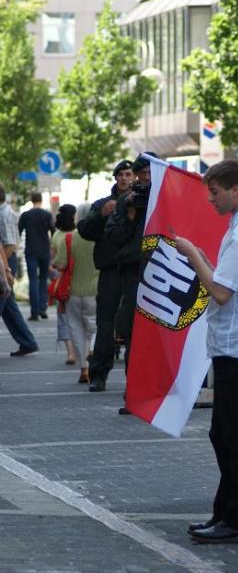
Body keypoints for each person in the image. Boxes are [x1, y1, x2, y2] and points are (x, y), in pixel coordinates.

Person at [175, 160, 238, 544]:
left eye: (214, 192)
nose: (210, 199)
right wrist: (204, 259)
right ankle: (228, 511)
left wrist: (192, 255)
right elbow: (227, 282)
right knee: (226, 430)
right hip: (236, 339)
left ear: (235, 189)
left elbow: (220, 291)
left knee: (236, 433)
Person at [78, 160, 135, 392]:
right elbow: (85, 230)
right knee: (105, 323)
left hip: (134, 270)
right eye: (120, 174)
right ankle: (99, 374)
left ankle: (135, 376)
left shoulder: (143, 203)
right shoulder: (104, 204)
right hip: (110, 270)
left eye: (128, 174)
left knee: (133, 324)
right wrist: (101, 214)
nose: (124, 178)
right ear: (115, 178)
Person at [104, 152, 154, 414]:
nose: (145, 177)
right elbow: (114, 237)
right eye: (141, 173)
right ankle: (133, 395)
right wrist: (131, 213)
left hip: (161, 274)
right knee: (133, 335)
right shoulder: (127, 202)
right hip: (134, 275)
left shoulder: (168, 199)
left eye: (150, 172)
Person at [55, 203, 99, 384]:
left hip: (72, 291)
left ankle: (84, 368)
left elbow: (60, 264)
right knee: (95, 327)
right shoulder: (99, 237)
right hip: (96, 290)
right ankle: (93, 349)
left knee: (76, 329)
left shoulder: (69, 238)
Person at [0, 184, 40, 357]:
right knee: (8, 306)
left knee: (5, 302)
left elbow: (9, 245)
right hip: (5, 263)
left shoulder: (4, 214)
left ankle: (28, 342)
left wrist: (5, 268)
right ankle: (27, 342)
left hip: (5, 263)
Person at [18, 191, 54, 320]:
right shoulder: (47, 215)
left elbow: (18, 232)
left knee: (33, 280)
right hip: (45, 250)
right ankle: (42, 308)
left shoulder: (26, 215)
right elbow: (53, 231)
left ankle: (34, 312)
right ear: (41, 200)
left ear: (31, 200)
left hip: (31, 251)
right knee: (43, 279)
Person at [50, 204, 77, 365]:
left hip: (61, 279)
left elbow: (54, 261)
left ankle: (70, 353)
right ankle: (84, 349)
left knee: (63, 316)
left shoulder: (56, 235)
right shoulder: (78, 234)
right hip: (77, 278)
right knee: (79, 317)